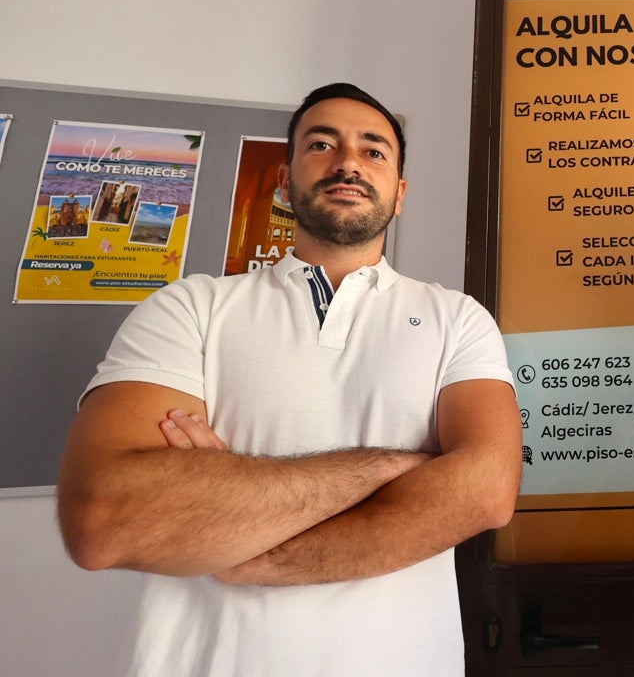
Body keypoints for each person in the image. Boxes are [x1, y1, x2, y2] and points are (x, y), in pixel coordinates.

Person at [57, 82, 523, 676]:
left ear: (399, 193)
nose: (348, 162)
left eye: (373, 150)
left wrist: (247, 545)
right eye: (321, 144)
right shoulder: (189, 308)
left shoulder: (457, 319)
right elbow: (105, 520)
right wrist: (393, 467)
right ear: (284, 181)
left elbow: (485, 491)